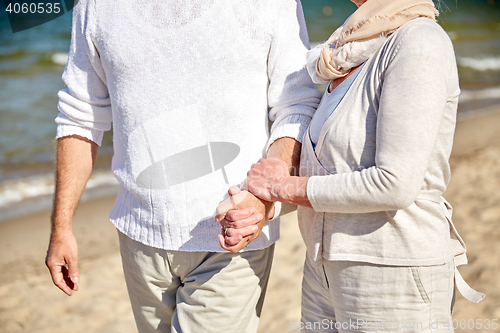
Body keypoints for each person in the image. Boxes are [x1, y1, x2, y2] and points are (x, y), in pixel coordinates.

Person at [44, 1, 321, 332]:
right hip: (138, 233)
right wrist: (61, 227)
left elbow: (296, 104)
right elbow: (81, 114)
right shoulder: (94, 6)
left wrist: (263, 196)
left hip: (233, 234)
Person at [218, 0, 485, 331]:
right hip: (323, 271)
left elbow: (394, 184)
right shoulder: (351, 48)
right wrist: (262, 208)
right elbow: (330, 173)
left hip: (392, 274)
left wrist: (282, 187)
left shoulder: (419, 42)